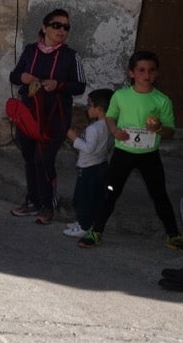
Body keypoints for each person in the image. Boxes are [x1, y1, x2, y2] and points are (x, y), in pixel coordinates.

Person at [78, 51, 183, 251]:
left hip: (149, 155)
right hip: (123, 153)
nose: (147, 75)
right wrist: (115, 131)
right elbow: (110, 117)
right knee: (110, 192)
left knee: (159, 194)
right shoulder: (121, 96)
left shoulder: (162, 100)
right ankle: (96, 231)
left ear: (157, 74)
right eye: (141, 70)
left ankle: (173, 235)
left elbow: (169, 131)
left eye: (151, 71)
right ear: (131, 73)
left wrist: (159, 128)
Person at [8, 8, 87, 224]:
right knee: (29, 158)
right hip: (29, 114)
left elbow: (79, 86)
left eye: (66, 27)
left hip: (55, 117)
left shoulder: (71, 56)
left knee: (44, 159)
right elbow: (14, 76)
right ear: (44, 28)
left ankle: (47, 206)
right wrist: (22, 77)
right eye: (57, 25)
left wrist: (58, 84)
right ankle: (32, 202)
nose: (62, 30)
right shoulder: (30, 51)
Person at [63, 88, 113, 238]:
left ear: (99, 109)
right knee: (92, 196)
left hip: (88, 167)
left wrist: (74, 138)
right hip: (101, 164)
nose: (87, 108)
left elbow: (88, 148)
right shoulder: (110, 125)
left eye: (90, 105)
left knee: (84, 198)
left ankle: (84, 225)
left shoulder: (93, 128)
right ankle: (83, 221)